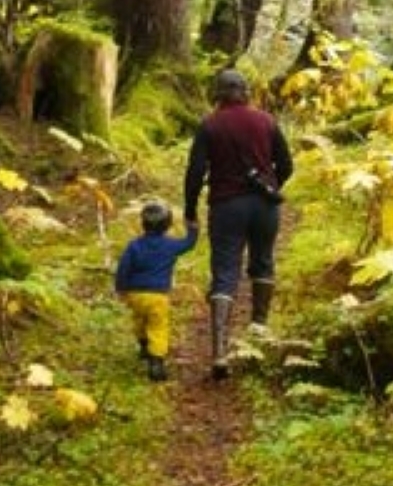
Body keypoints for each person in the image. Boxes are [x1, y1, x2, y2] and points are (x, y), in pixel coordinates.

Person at [183, 67, 294, 380]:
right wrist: (271, 185)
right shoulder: (266, 121)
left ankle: (220, 353)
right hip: (264, 207)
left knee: (225, 272)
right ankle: (257, 337)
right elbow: (286, 165)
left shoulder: (209, 125)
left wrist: (190, 208)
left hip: (226, 206)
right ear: (246, 91)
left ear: (217, 93)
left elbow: (194, 172)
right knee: (263, 264)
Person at [114, 200, 198, 381]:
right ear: (167, 224)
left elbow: (123, 268)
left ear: (143, 223)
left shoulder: (134, 246)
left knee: (139, 320)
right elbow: (189, 244)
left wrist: (120, 288)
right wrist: (193, 228)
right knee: (158, 326)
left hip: (135, 295)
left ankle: (144, 346)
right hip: (158, 296)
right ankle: (156, 363)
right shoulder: (169, 245)